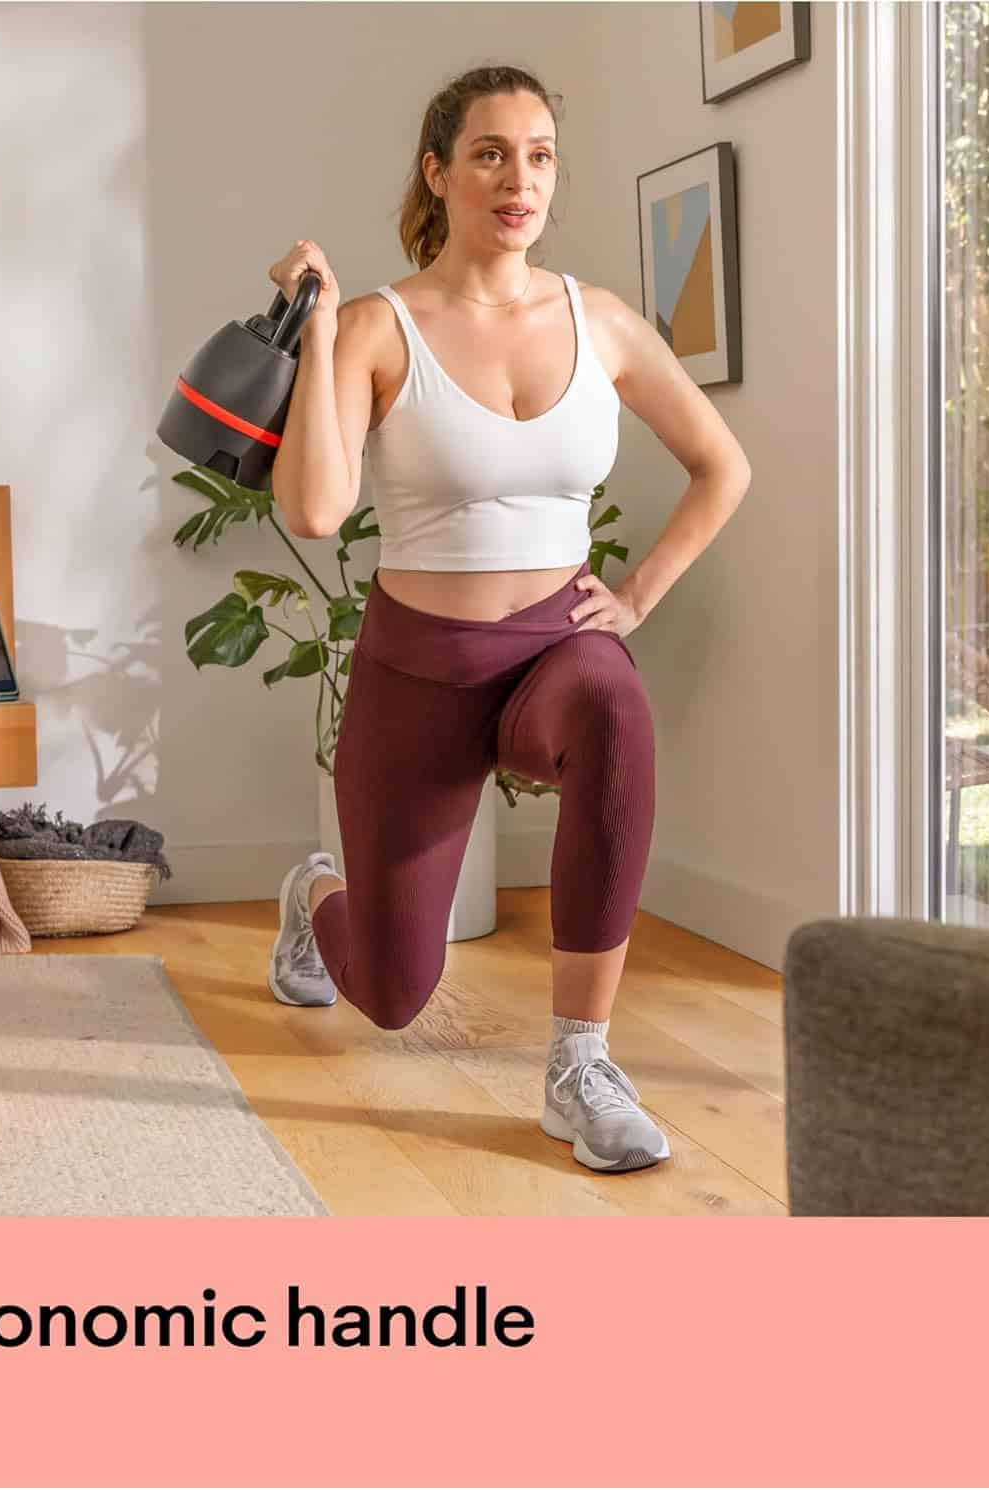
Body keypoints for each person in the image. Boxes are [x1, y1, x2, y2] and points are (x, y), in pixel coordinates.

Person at [263, 64, 751, 1174]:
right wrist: (326, 321)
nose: (517, 177)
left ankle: (580, 1062)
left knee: (618, 708)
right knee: (391, 994)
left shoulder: (604, 321)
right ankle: (316, 892)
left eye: (538, 154)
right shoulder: (383, 325)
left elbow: (722, 466)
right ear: (438, 172)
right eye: (489, 152)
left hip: (555, 657)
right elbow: (316, 505)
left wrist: (632, 599)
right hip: (417, 670)